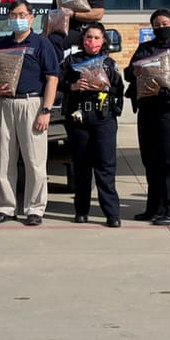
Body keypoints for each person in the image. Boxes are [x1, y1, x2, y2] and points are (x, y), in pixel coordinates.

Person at [0, 0, 61, 227]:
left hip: (32, 104)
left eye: (22, 14)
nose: (17, 19)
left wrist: (46, 110)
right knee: (5, 159)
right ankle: (5, 207)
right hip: (5, 104)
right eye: (13, 15)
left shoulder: (41, 43)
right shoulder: (3, 44)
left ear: (31, 17)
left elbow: (52, 78)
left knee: (35, 160)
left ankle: (34, 209)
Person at [125, 8, 170, 225]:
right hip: (147, 109)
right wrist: (135, 72)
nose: (161, 28)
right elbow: (128, 72)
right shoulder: (145, 48)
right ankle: (154, 208)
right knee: (151, 160)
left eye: (165, 24)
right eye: (156, 25)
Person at [58, 23, 125, 227]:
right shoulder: (71, 61)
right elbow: (56, 82)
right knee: (81, 166)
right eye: (89, 37)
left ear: (103, 40)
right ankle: (81, 210)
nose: (92, 41)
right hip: (79, 118)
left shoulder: (108, 63)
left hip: (103, 118)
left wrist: (105, 88)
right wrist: (72, 86)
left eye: (97, 38)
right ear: (83, 39)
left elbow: (119, 89)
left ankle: (112, 213)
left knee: (105, 166)